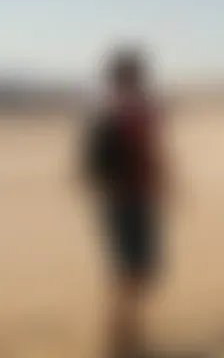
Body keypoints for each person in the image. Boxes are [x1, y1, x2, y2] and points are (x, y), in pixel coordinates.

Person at [82, 46, 171, 358]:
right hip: (123, 204)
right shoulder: (110, 115)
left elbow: (154, 155)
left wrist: (162, 186)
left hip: (137, 201)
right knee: (127, 273)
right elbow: (93, 168)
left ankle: (130, 336)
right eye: (134, 75)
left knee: (140, 272)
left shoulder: (140, 112)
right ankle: (121, 342)